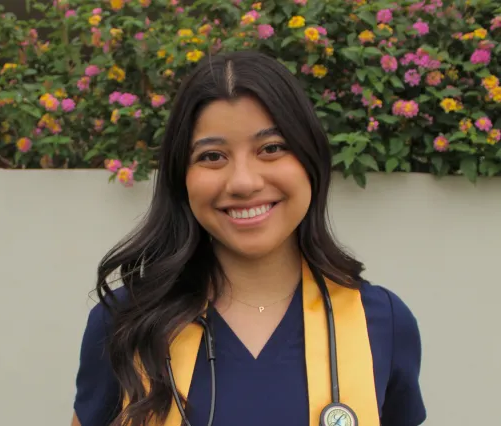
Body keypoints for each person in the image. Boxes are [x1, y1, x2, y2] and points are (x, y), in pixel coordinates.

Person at [71, 50, 426, 426]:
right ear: (182, 177)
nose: (243, 182)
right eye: (212, 156)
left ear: (310, 159)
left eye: (271, 149)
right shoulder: (127, 324)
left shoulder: (383, 322)